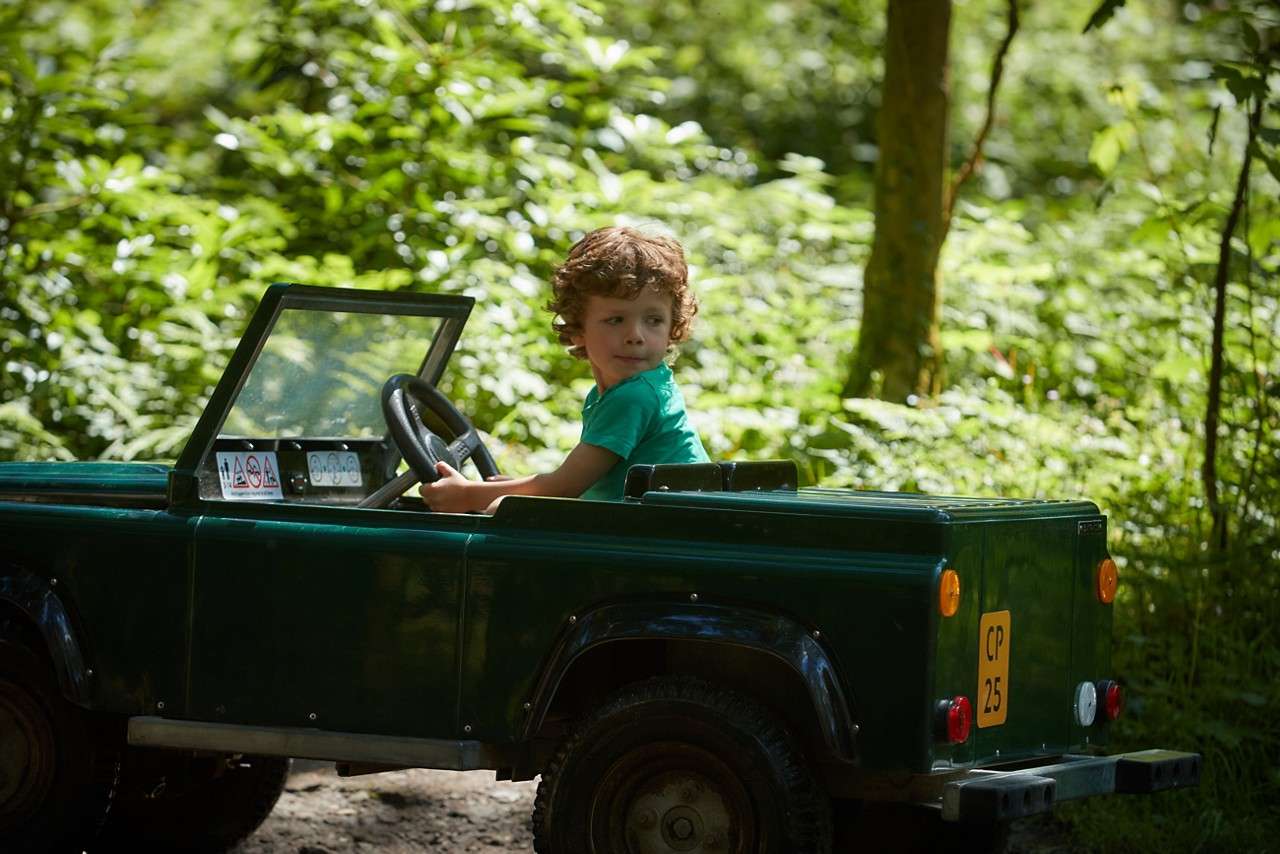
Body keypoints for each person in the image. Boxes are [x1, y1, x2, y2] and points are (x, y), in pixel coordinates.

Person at [420, 225, 709, 513]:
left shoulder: (635, 397)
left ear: (673, 326)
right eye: (616, 320)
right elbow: (587, 484)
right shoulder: (622, 391)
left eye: (654, 320)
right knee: (506, 506)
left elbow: (566, 486)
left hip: (673, 538)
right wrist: (509, 490)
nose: (636, 335)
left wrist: (469, 495)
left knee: (501, 509)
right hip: (654, 528)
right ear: (578, 328)